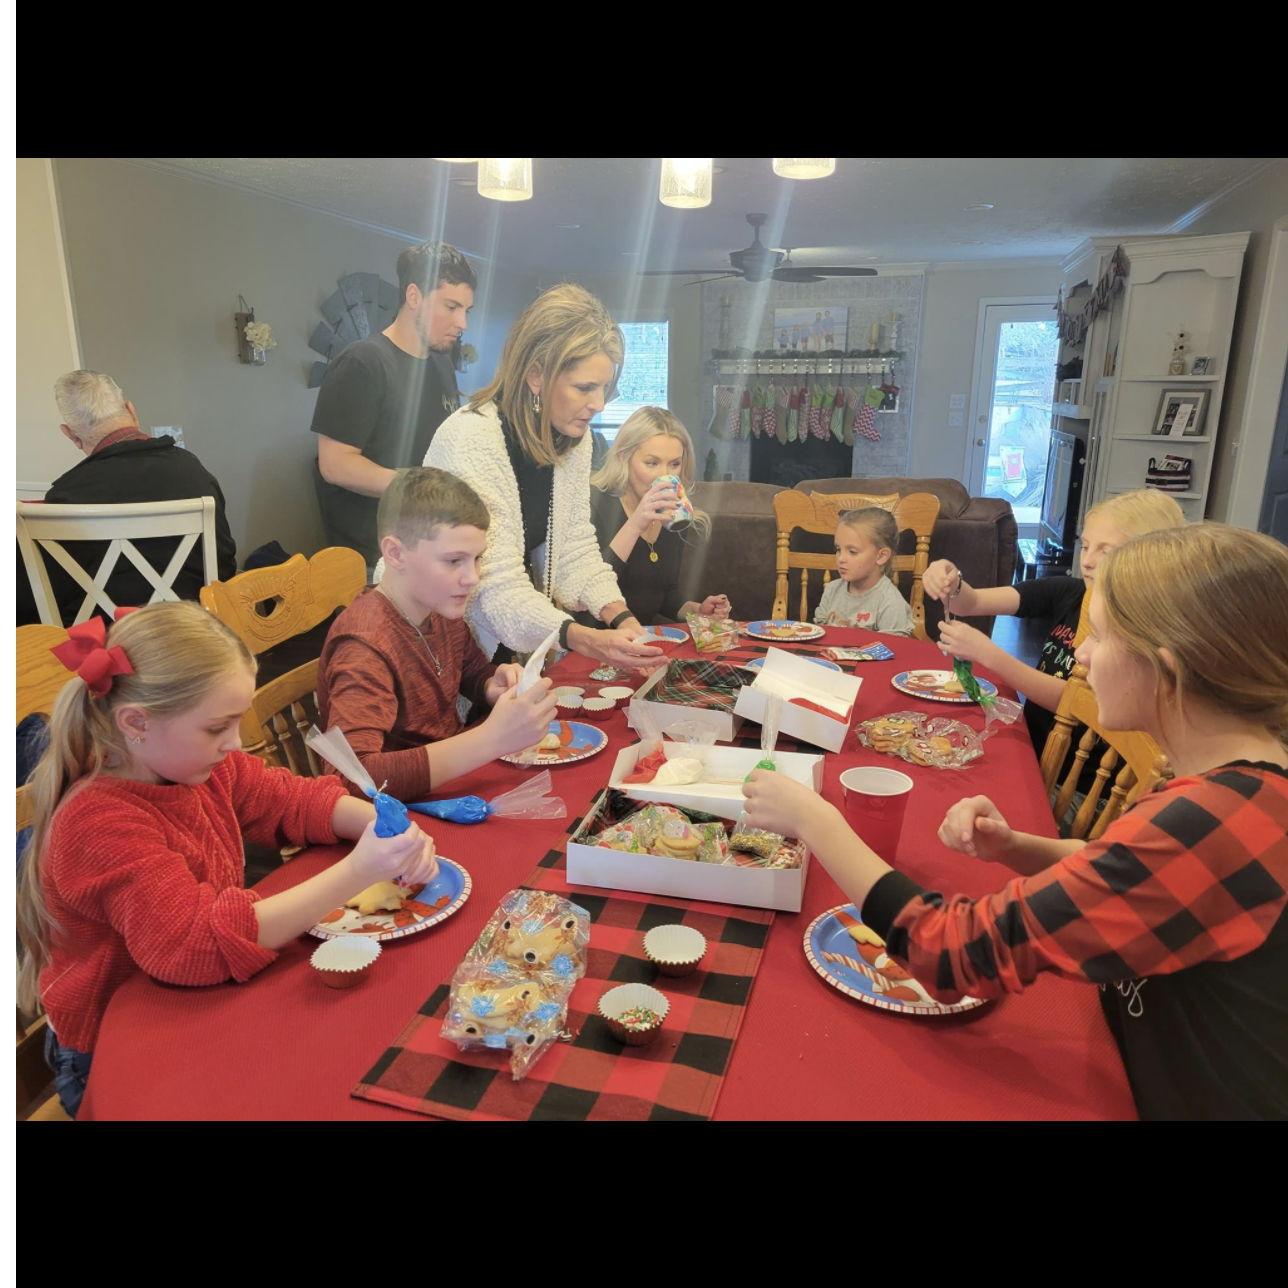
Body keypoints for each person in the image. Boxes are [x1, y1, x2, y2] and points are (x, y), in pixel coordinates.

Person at [742, 523, 1288, 1119]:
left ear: (1165, 670)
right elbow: (1134, 875)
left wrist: (816, 820)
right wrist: (1019, 845)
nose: (1078, 655)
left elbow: (953, 955)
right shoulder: (1242, 788)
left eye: (1098, 638)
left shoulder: (1213, 824)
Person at [15, 601, 437, 1118]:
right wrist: (357, 870)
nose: (236, 743)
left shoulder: (193, 766)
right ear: (135, 723)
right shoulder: (99, 823)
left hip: (191, 1003)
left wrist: (376, 824)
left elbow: (290, 800)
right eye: (219, 727)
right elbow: (193, 946)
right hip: (113, 1048)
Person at [421, 283, 663, 671]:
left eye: (604, 388)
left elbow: (574, 550)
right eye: (585, 387)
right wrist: (584, 639)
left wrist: (623, 619)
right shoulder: (472, 438)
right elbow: (492, 587)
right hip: (438, 651)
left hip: (499, 654)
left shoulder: (570, 438)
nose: (598, 404)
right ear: (536, 375)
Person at [316, 467, 558, 801]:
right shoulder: (364, 645)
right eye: (454, 560)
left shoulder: (437, 605)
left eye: (476, 559)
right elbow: (353, 779)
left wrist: (492, 685)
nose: (471, 577)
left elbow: (470, 671)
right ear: (396, 553)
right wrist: (490, 739)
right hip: (398, 821)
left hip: (448, 792)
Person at [923, 489, 1185, 755]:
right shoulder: (1070, 592)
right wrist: (950, 580)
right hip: (1031, 748)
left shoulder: (1144, 634)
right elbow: (972, 603)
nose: (1088, 560)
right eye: (1085, 546)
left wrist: (989, 655)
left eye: (1106, 551)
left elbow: (1079, 703)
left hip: (1075, 783)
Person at [18, 370, 237, 626]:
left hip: (108, 641)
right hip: (195, 631)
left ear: (71, 435)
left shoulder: (67, 494)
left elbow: (37, 596)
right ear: (132, 411)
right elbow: (224, 566)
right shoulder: (193, 472)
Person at [310, 241, 476, 567]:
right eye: (451, 307)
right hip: (374, 557)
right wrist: (421, 490)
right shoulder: (363, 362)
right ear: (414, 296)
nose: (462, 324)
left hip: (431, 546)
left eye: (466, 311)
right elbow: (335, 464)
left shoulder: (441, 365)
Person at [585, 407, 730, 628]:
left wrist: (697, 610)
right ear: (624, 457)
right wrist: (636, 524)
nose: (665, 475)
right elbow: (592, 592)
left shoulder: (674, 514)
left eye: (674, 464)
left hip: (641, 643)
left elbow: (664, 595)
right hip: (595, 641)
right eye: (652, 463)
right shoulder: (595, 504)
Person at [813, 507, 914, 635]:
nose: (841, 559)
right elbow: (820, 633)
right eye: (838, 549)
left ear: (881, 556)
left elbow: (894, 649)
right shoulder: (832, 590)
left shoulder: (890, 602)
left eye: (852, 552)